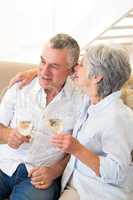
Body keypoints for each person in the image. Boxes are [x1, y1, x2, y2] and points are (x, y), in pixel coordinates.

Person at [0, 33, 83, 200]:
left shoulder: (81, 100)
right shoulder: (21, 86)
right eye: (42, 61)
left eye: (54, 66)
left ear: (72, 68)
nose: (44, 72)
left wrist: (54, 172)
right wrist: (8, 134)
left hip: (40, 177)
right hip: (4, 165)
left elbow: (78, 150)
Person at [50, 44, 133, 200]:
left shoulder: (117, 117)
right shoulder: (89, 99)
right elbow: (57, 73)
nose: (76, 67)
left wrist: (78, 149)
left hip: (100, 191)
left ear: (96, 77)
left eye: (82, 64)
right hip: (77, 182)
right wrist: (33, 72)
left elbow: (117, 172)